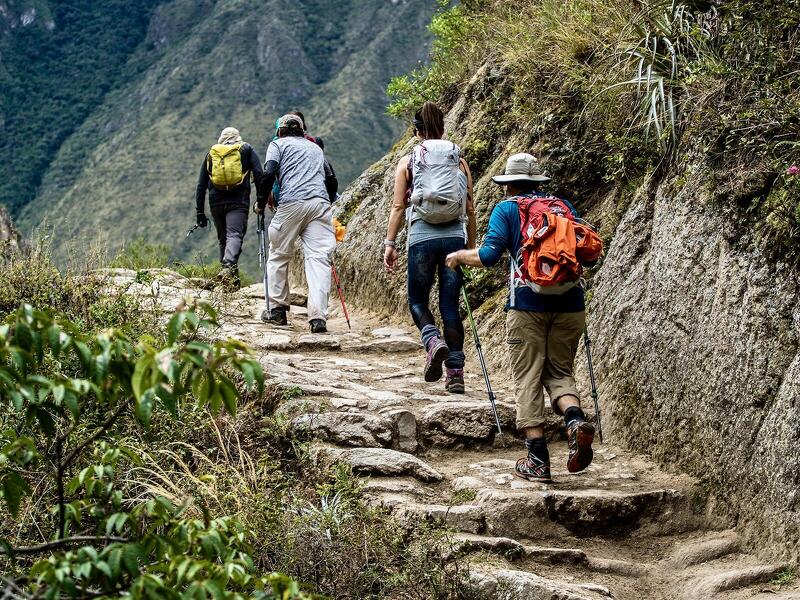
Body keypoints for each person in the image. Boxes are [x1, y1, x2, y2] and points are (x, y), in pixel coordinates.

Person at [445, 153, 595, 482]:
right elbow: (586, 253)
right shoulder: (563, 207)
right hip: (571, 304)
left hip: (527, 305)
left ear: (509, 185)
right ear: (537, 182)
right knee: (560, 373)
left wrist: (458, 257)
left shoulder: (507, 209)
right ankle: (574, 421)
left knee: (528, 378)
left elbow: (488, 256)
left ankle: (538, 460)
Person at [383, 102, 476, 393]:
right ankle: (456, 374)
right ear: (443, 128)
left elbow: (398, 207)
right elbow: (470, 209)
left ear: (417, 132)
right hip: (454, 240)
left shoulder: (409, 161)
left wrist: (390, 244)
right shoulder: (458, 160)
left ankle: (432, 341)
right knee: (450, 306)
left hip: (422, 238)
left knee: (417, 301)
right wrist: (471, 249)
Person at [256, 113, 338, 333]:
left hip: (291, 204)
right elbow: (332, 180)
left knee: (279, 255)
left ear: (280, 131)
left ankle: (277, 311)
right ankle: (318, 318)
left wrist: (260, 202)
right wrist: (326, 203)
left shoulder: (277, 145)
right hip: (319, 205)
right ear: (302, 131)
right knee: (319, 260)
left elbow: (269, 173)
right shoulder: (316, 149)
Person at [195, 127, 264, 289]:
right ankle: (227, 268)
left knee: (223, 240)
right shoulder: (246, 149)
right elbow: (259, 174)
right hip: (238, 202)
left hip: (216, 202)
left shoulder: (212, 154)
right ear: (238, 138)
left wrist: (200, 212)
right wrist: (261, 199)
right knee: (234, 235)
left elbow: (201, 185)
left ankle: (231, 284)